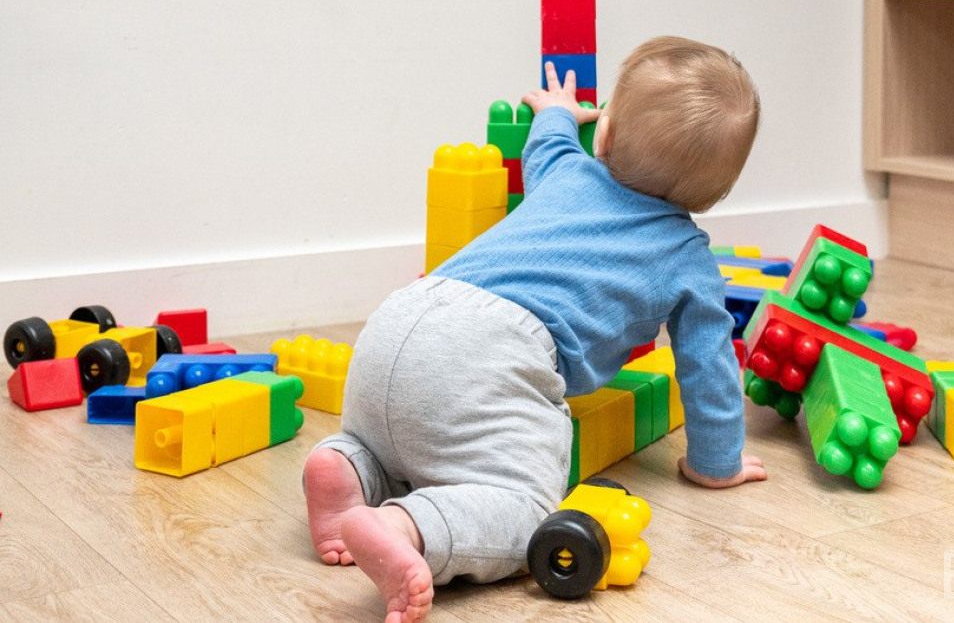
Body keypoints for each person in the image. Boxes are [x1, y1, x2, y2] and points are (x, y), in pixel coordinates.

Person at [303, 36, 766, 622]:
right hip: (494, 354)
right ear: (717, 193)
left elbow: (547, 139)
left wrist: (556, 110)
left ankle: (347, 463)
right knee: (523, 502)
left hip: (401, 318)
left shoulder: (566, 170)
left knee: (403, 442)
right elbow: (709, 367)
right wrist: (717, 462)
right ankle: (404, 526)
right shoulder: (686, 257)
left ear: (606, 134)